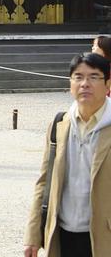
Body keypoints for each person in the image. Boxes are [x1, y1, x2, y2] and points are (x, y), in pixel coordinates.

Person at [24, 53, 111, 257]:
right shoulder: (59, 125)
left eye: (94, 77)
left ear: (108, 84)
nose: (85, 84)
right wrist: (33, 236)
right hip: (62, 234)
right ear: (70, 83)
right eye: (78, 77)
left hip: (104, 235)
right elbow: (44, 182)